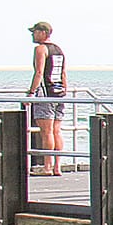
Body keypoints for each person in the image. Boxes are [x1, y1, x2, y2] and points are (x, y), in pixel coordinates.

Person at [23, 21, 67, 177]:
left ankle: (47, 166)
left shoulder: (41, 49)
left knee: (46, 131)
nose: (32, 35)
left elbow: (39, 72)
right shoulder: (58, 50)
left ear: (43, 32)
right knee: (56, 131)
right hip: (59, 93)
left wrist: (31, 92)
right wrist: (64, 90)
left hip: (46, 93)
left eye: (34, 32)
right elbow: (63, 73)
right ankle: (57, 167)